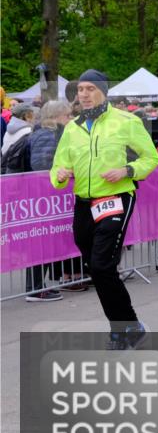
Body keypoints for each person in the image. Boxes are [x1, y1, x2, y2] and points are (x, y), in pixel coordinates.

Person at [50, 69, 158, 348]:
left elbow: (151, 158)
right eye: (80, 90)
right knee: (98, 269)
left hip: (116, 198)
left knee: (101, 265)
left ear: (103, 91)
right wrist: (60, 175)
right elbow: (57, 167)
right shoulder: (72, 128)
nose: (84, 94)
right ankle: (130, 326)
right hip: (84, 203)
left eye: (90, 88)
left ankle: (122, 328)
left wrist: (127, 170)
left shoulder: (126, 121)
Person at [24, 99, 76, 301]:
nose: (70, 119)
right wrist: (63, 172)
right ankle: (35, 288)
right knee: (41, 243)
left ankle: (38, 286)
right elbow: (41, 166)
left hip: (46, 198)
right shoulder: (46, 135)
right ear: (55, 117)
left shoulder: (49, 133)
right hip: (43, 198)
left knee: (44, 242)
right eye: (67, 115)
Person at [1, 102, 37, 173]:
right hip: (21, 171)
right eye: (32, 115)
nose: (34, 118)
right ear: (27, 116)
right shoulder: (28, 131)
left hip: (7, 170)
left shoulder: (8, 131)